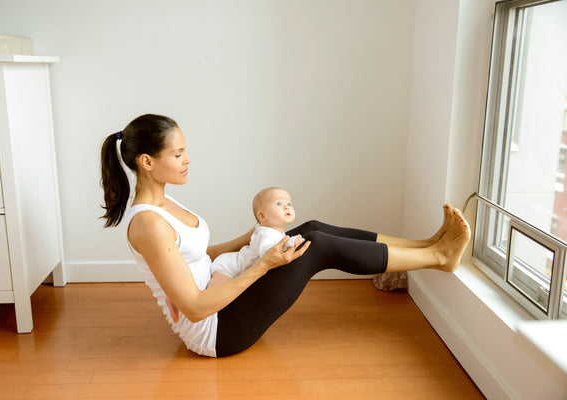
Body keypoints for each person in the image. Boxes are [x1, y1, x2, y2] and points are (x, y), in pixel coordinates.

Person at [100, 113, 471, 358]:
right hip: (216, 331)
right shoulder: (148, 222)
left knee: (308, 229)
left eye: (185, 151)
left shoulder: (165, 204)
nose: (187, 159)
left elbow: (194, 256)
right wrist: (262, 264)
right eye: (178, 153)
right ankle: (440, 258)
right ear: (147, 162)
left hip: (223, 296)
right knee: (318, 247)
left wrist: (249, 237)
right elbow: (195, 308)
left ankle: (427, 243)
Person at [208, 187, 303, 289]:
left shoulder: (275, 232)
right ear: (262, 216)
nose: (286, 207)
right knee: (218, 287)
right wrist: (290, 242)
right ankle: (206, 299)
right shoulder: (264, 234)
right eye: (279, 203)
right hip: (228, 266)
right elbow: (268, 253)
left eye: (289, 204)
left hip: (239, 267)